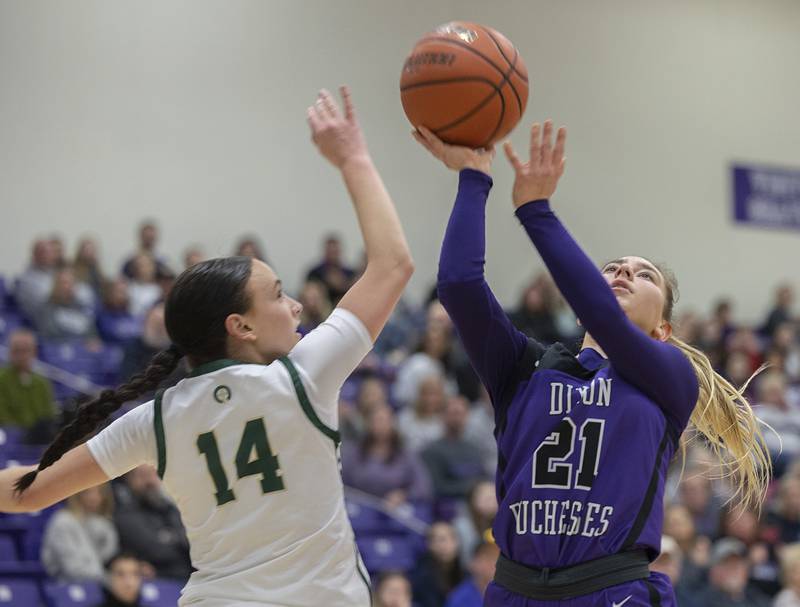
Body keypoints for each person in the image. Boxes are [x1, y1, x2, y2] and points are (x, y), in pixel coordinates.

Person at [0, 87, 414, 607]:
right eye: (279, 295)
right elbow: (394, 265)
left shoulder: (158, 419)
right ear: (240, 326)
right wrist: (353, 159)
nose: (296, 308)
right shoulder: (301, 377)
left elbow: (29, 492)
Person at [414, 121, 770, 605]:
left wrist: (536, 210)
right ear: (579, 303)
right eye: (612, 267)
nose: (624, 271)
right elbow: (458, 286)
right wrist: (474, 177)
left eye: (644, 275)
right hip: (515, 589)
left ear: (663, 330)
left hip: (610, 591)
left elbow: (607, 317)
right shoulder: (523, 368)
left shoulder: (668, 378)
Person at [41, 484, 118, 581]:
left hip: (96, 581)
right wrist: (110, 581)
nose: (94, 497)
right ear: (77, 493)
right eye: (87, 492)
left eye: (99, 492)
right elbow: (72, 568)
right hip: (64, 584)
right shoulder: (63, 521)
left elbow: (109, 556)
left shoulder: (103, 524)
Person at [0, 329, 56, 432]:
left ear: (34, 352)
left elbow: (49, 415)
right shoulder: (2, 379)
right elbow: (3, 417)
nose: (21, 356)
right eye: (17, 350)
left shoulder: (42, 382)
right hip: (11, 439)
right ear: (9, 352)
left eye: (25, 350)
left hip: (39, 438)